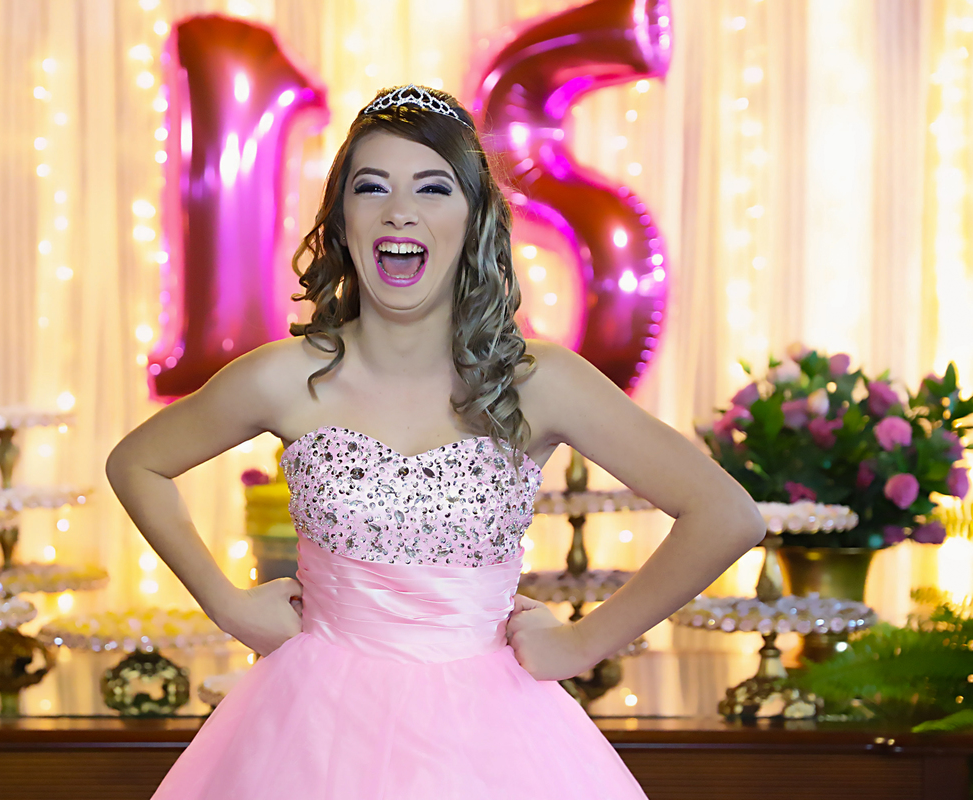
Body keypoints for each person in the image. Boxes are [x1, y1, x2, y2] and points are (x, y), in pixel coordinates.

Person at [106, 84, 766, 799]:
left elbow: (726, 515)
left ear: (473, 217)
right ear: (342, 219)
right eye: (371, 187)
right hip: (313, 733)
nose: (400, 210)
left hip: (494, 740)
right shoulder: (282, 377)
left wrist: (582, 643)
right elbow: (136, 462)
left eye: (432, 187)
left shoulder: (539, 382)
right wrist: (227, 604)